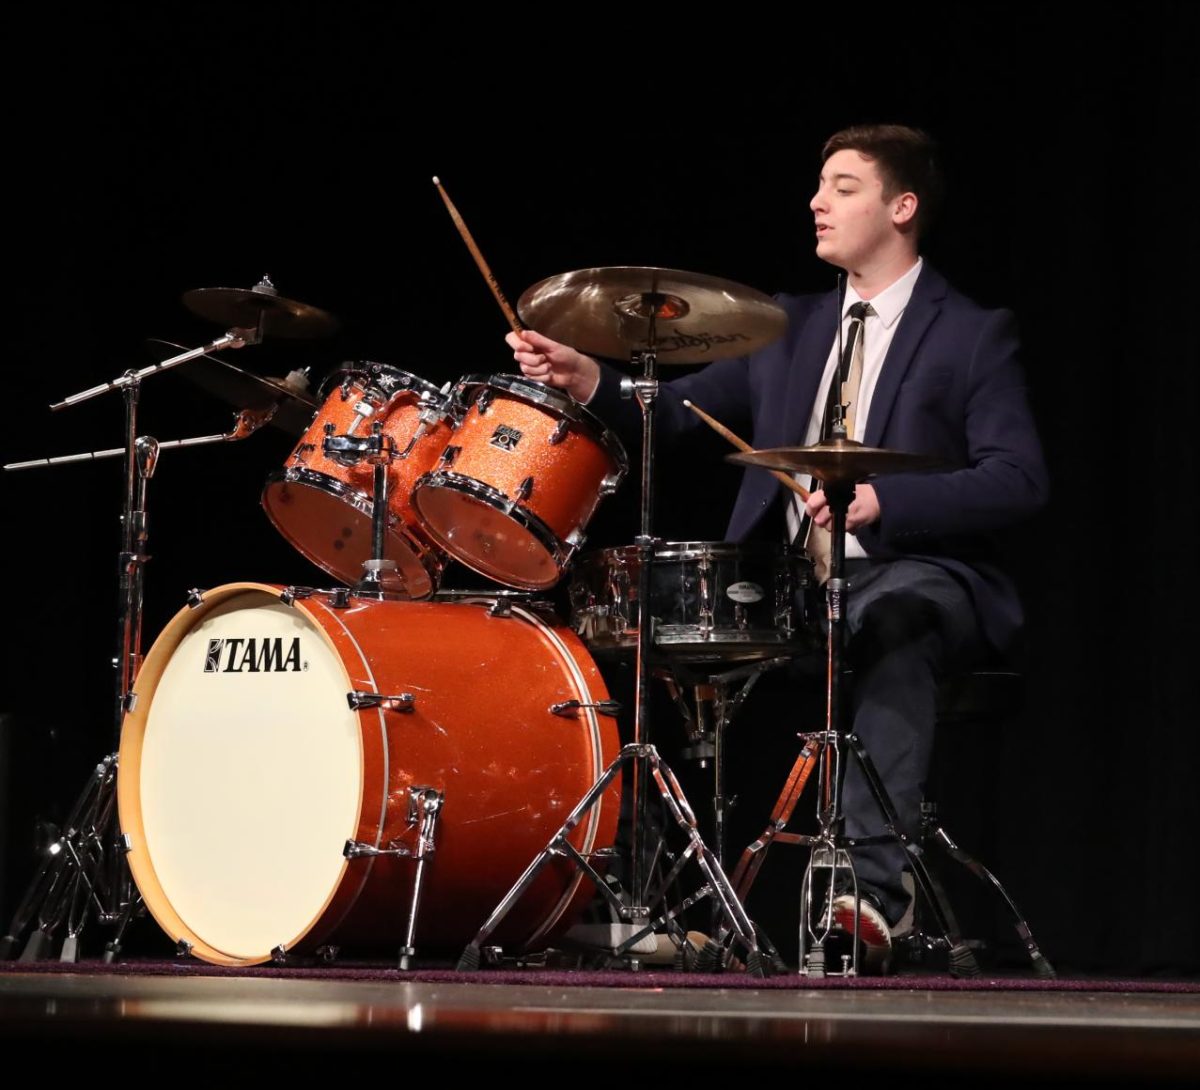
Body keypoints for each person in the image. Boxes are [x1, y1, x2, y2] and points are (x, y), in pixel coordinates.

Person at [506, 124, 1048, 972]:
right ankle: (649, 899)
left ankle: (874, 899)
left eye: (842, 186)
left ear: (902, 207)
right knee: (639, 638)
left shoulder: (974, 333)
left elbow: (1019, 479)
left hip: (917, 575)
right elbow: (677, 414)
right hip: (787, 586)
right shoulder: (786, 326)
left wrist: (886, 500)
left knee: (895, 623)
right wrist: (591, 381)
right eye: (818, 185)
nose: (816, 201)